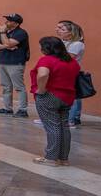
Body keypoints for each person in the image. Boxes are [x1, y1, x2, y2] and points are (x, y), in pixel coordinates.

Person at [30, 35, 80, 167]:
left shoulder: (47, 60)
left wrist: (41, 90)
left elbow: (43, 74)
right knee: (64, 126)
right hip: (68, 97)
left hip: (50, 95)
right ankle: (63, 158)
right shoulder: (72, 61)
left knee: (52, 127)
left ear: (47, 48)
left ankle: (51, 158)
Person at [0, 13, 30, 117]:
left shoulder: (21, 33)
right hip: (2, 61)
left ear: (16, 23)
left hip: (15, 62)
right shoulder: (1, 31)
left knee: (19, 86)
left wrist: (4, 36)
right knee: (5, 86)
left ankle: (23, 109)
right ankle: (7, 108)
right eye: (6, 19)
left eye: (9, 20)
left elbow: (8, 43)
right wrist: (7, 46)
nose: (6, 22)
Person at [57, 20, 86, 126]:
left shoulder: (77, 44)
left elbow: (68, 58)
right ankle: (69, 117)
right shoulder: (63, 42)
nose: (58, 30)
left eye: (62, 29)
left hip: (71, 72)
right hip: (62, 72)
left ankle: (72, 119)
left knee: (72, 96)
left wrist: (54, 52)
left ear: (71, 32)